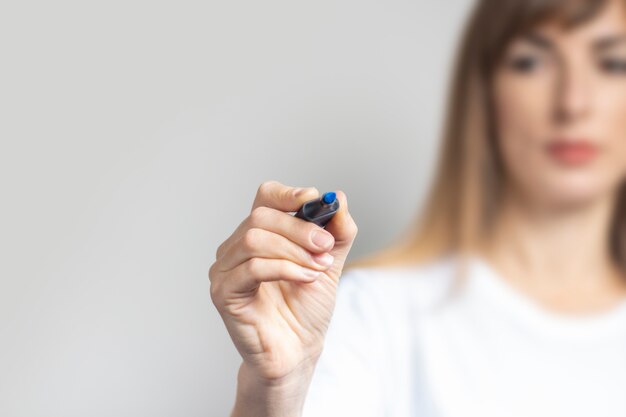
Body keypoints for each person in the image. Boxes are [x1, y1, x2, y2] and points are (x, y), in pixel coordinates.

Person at [209, 0, 626, 415]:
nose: (573, 103)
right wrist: (277, 389)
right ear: (482, 94)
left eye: (613, 63)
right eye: (531, 63)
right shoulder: (373, 314)